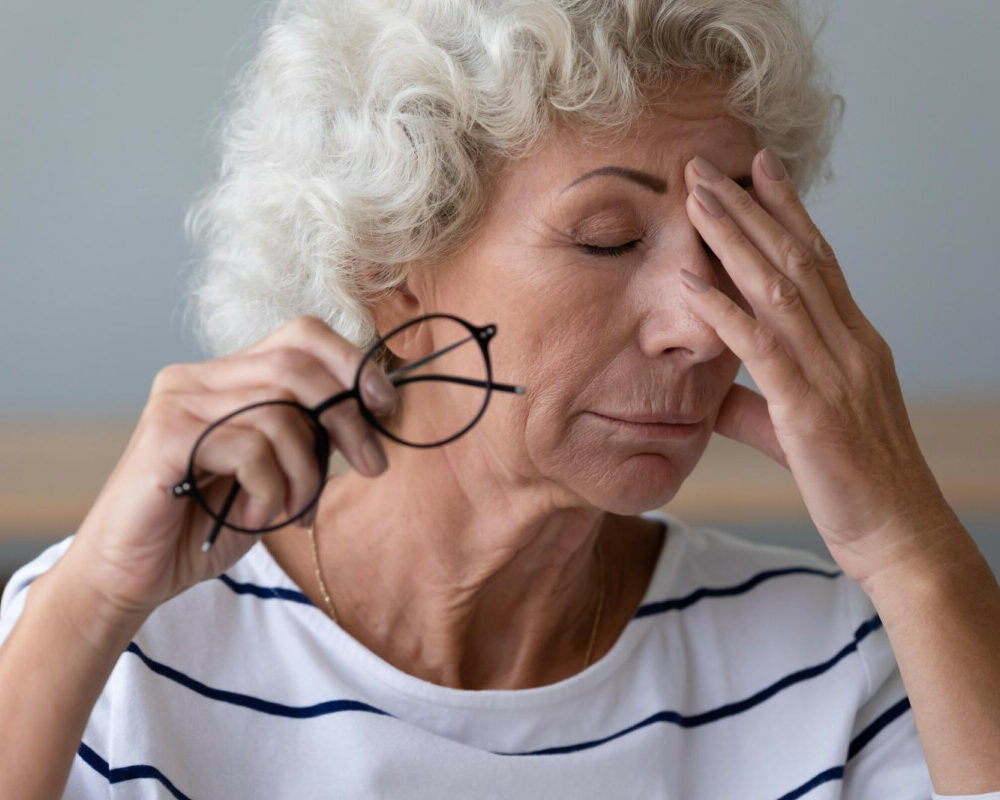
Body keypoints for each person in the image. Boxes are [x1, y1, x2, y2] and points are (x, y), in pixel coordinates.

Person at [1, 0, 998, 797]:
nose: (700, 329)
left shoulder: (830, 660)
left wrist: (910, 547)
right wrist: (89, 606)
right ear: (390, 254)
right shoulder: (114, 642)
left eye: (732, 243)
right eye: (607, 236)